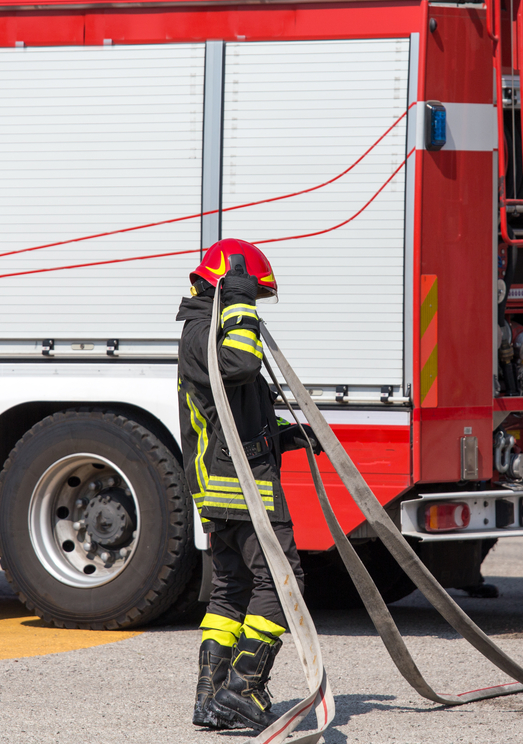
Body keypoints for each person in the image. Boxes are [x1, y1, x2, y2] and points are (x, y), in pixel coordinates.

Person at [176, 238, 319, 732]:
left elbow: (229, 414)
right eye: (249, 295)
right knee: (282, 583)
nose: (252, 305)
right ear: (227, 285)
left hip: (226, 483)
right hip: (245, 486)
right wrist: (236, 300)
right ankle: (244, 689)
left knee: (232, 587)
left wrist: (288, 435)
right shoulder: (207, 335)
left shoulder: (203, 334)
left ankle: (210, 698)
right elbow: (241, 365)